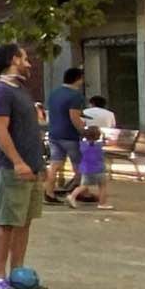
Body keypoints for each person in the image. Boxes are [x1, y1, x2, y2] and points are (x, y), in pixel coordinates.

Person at [0, 41, 47, 289]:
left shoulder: (21, 90)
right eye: (25, 58)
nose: (29, 63)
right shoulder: (0, 91)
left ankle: (17, 271)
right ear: (14, 60)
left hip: (31, 167)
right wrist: (17, 162)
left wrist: (39, 164)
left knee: (24, 222)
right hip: (9, 168)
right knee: (6, 222)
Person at [45, 64, 88, 204]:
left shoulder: (54, 93)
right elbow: (74, 117)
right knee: (79, 165)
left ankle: (49, 192)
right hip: (70, 135)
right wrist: (83, 131)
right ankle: (81, 192)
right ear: (77, 79)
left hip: (54, 133)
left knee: (55, 164)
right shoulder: (76, 96)